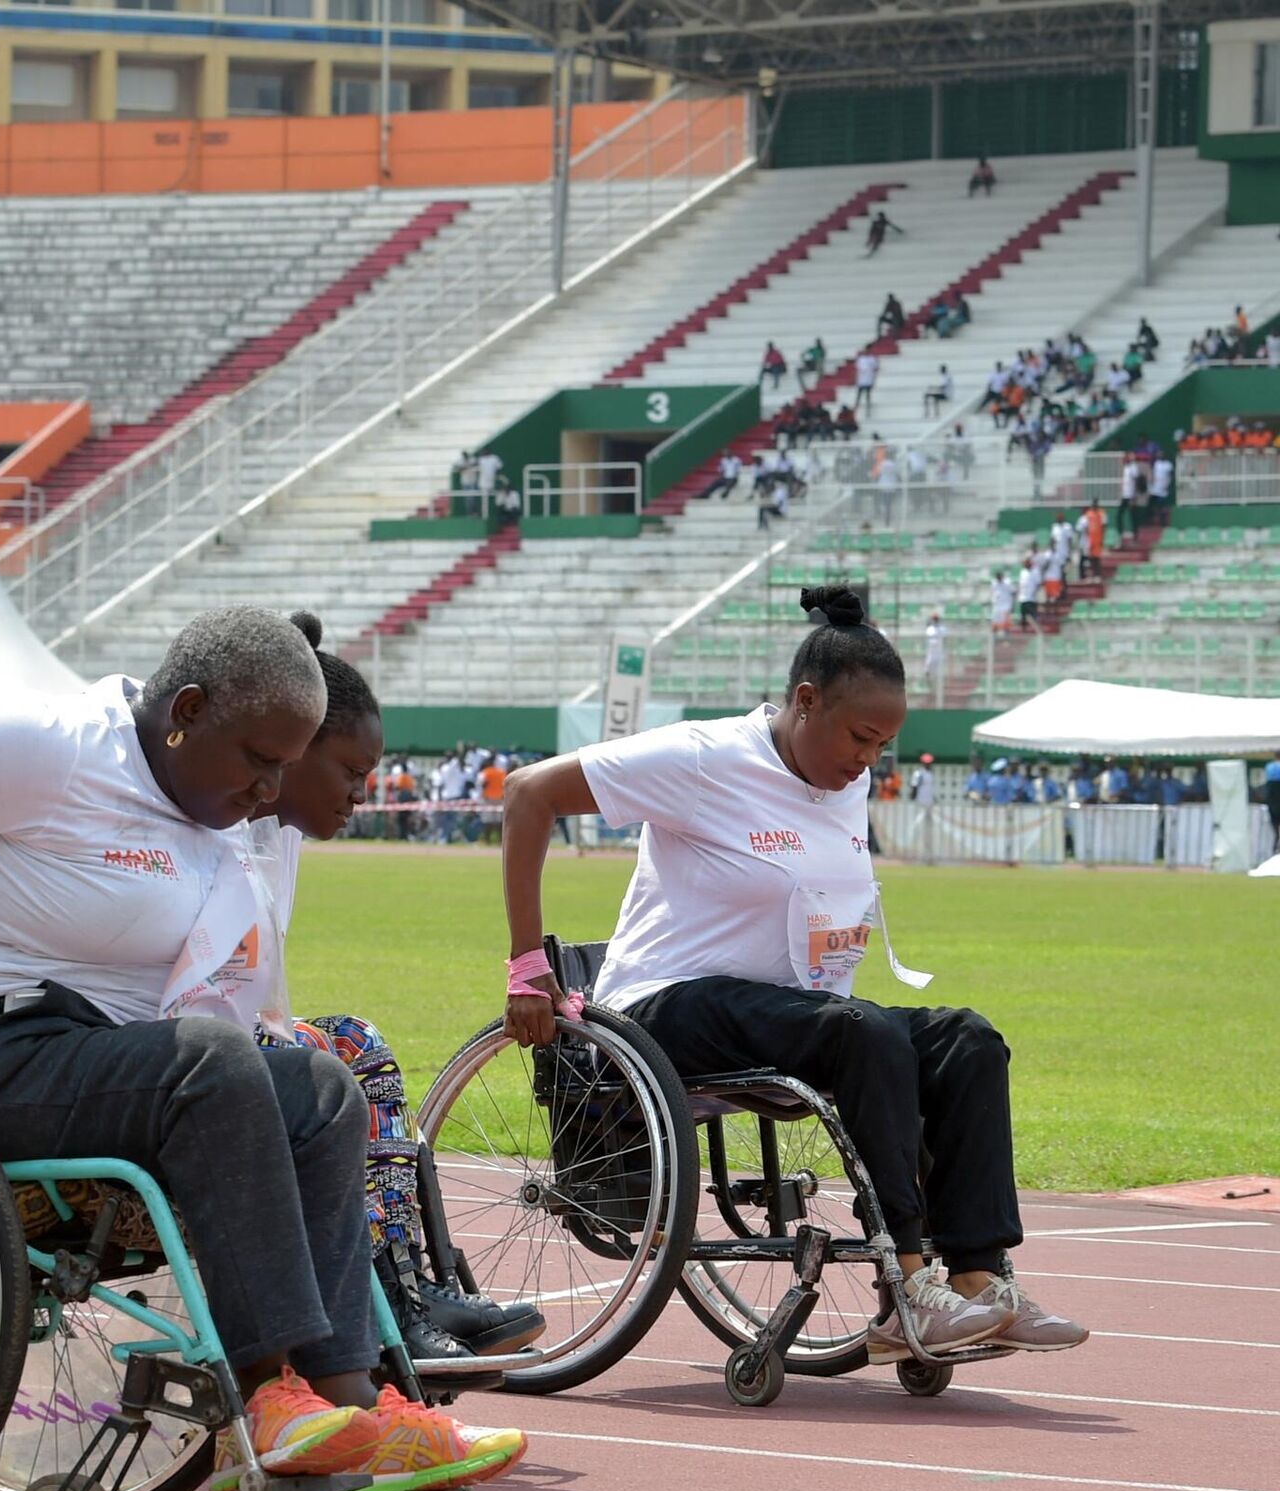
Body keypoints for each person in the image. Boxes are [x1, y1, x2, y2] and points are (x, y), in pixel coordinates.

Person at [0, 605, 529, 1491]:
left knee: (319, 1087)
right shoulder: (53, 745)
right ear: (187, 710)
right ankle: (265, 1402)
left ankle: (346, 1400)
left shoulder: (220, 823)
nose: (272, 794)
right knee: (210, 1063)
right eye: (260, 763)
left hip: (91, 1062)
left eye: (286, 767)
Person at [498, 586, 1086, 1359]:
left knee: (968, 1039)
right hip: (665, 1009)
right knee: (862, 1031)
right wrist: (527, 965)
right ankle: (907, 1287)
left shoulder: (846, 777)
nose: (869, 761)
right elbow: (528, 791)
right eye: (860, 738)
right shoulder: (704, 759)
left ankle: (978, 1280)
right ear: (805, 701)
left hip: (794, 1015)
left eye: (883, 746)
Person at [248, 624, 544, 1364]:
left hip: (240, 1033)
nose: (363, 792)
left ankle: (403, 1282)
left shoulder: (280, 829)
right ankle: (389, 1304)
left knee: (362, 1044)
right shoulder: (218, 818)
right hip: (179, 1042)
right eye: (350, 770)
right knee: (321, 1054)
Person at [853, 347, 879, 414]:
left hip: (869, 378)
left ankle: (868, 406)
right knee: (859, 393)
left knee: (868, 393)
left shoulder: (872, 359)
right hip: (862, 378)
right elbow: (858, 369)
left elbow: (875, 368)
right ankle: (857, 405)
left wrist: (873, 377)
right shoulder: (860, 359)